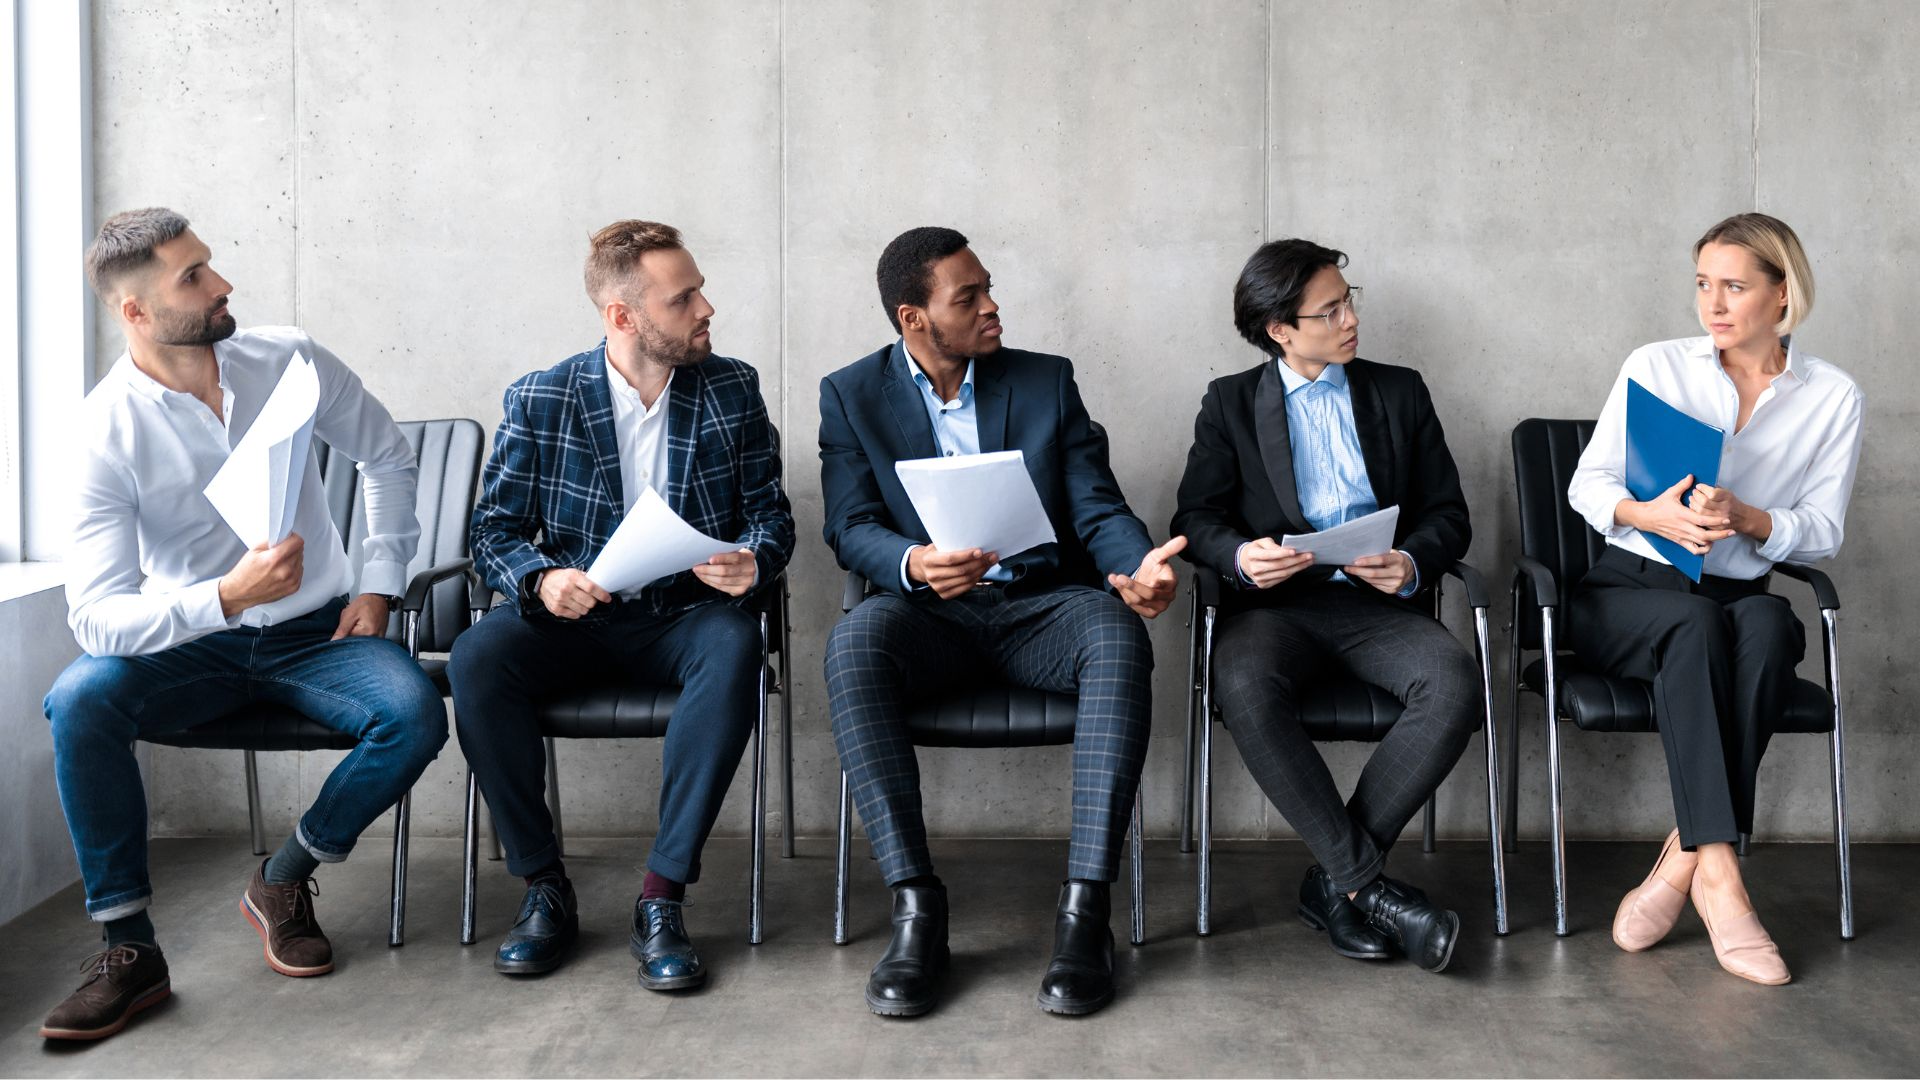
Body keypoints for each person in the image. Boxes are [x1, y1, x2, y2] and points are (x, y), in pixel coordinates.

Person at [40, 208, 446, 1041]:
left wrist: (378, 584)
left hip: (318, 634)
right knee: (80, 699)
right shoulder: (101, 432)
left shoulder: (287, 357)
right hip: (192, 647)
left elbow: (387, 455)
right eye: (194, 277)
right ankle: (130, 948)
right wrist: (222, 599)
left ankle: (285, 877)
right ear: (136, 313)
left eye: (209, 264)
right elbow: (96, 620)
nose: (223, 285)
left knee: (414, 714)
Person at [818, 226, 1183, 1017]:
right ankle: (917, 906)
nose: (992, 307)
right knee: (852, 645)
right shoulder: (850, 394)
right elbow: (849, 524)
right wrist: (914, 563)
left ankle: (1086, 915)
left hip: (1042, 606)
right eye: (968, 297)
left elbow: (1096, 503)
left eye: (988, 288)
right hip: (929, 613)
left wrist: (1139, 565)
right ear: (914, 318)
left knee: (1117, 636)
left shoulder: (1046, 381)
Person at [450, 219, 793, 990]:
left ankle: (662, 898)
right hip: (575, 617)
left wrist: (755, 560)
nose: (707, 308)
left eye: (700, 289)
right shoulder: (540, 397)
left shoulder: (731, 387)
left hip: (684, 615)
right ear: (623, 316)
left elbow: (772, 513)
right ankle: (543, 887)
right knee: (477, 657)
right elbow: (493, 531)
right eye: (685, 298)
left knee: (735, 645)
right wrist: (540, 580)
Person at [1567, 212, 1863, 986]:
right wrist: (1648, 512)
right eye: (1704, 284)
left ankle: (1680, 862)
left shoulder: (1832, 396)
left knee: (1767, 624)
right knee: (1696, 622)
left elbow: (1824, 530)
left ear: (1783, 292)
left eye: (1735, 285)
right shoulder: (1657, 365)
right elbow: (1587, 484)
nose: (1714, 304)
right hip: (1628, 590)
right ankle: (1726, 886)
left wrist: (1749, 517)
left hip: (1739, 591)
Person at [1170, 238, 1479, 973]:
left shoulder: (1399, 391)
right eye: (1330, 309)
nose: (1350, 318)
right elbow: (1195, 520)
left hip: (1379, 607)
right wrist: (1244, 556)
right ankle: (1368, 887)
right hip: (1274, 612)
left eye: (1349, 300)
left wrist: (1409, 562)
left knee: (1456, 683)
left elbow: (1449, 514)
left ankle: (1338, 885)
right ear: (1281, 329)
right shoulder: (1231, 403)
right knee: (1242, 682)